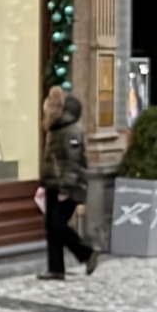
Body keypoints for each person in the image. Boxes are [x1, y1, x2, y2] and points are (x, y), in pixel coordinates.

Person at [39, 86, 97, 280]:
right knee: (51, 226)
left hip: (67, 186)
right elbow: (53, 160)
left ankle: (86, 253)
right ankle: (56, 268)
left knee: (58, 224)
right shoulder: (55, 129)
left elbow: (72, 162)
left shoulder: (70, 131)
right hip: (53, 184)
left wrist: (65, 188)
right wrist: (45, 183)